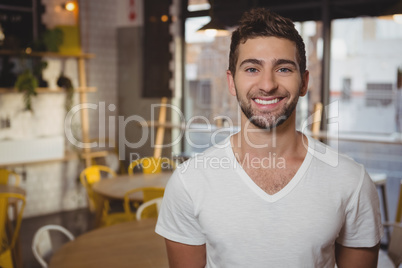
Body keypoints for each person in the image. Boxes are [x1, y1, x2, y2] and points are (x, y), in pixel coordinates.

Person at [156, 8, 383, 268]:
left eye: (284, 69)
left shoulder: (351, 181)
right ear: (232, 82)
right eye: (252, 69)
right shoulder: (189, 183)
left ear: (304, 82)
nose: (267, 84)